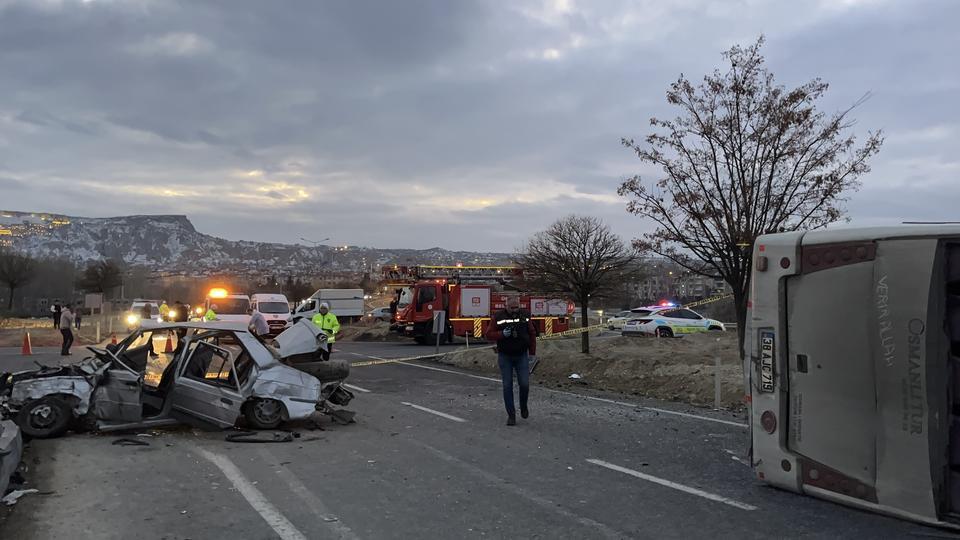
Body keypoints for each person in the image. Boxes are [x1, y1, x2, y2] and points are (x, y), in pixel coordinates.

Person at [485, 296, 538, 426]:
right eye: (511, 307)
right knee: (507, 385)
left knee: (524, 384)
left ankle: (523, 406)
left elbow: (532, 333)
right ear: (506, 306)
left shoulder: (525, 315)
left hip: (521, 355)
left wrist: (532, 353)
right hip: (505, 356)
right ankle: (511, 415)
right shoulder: (498, 317)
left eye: (516, 307)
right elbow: (488, 334)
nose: (514, 310)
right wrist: (502, 334)